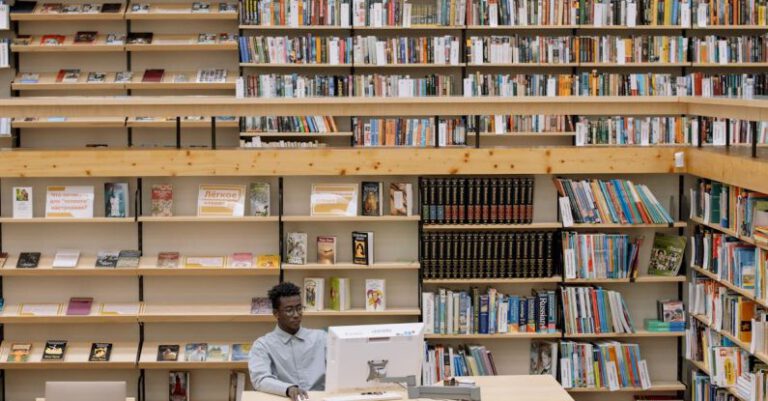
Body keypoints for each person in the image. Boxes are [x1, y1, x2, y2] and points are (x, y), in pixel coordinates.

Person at [249, 282, 327, 401]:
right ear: (276, 314)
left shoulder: (321, 338)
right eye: (289, 310)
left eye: (299, 308)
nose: (296, 315)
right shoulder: (262, 345)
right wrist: (288, 389)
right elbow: (260, 379)